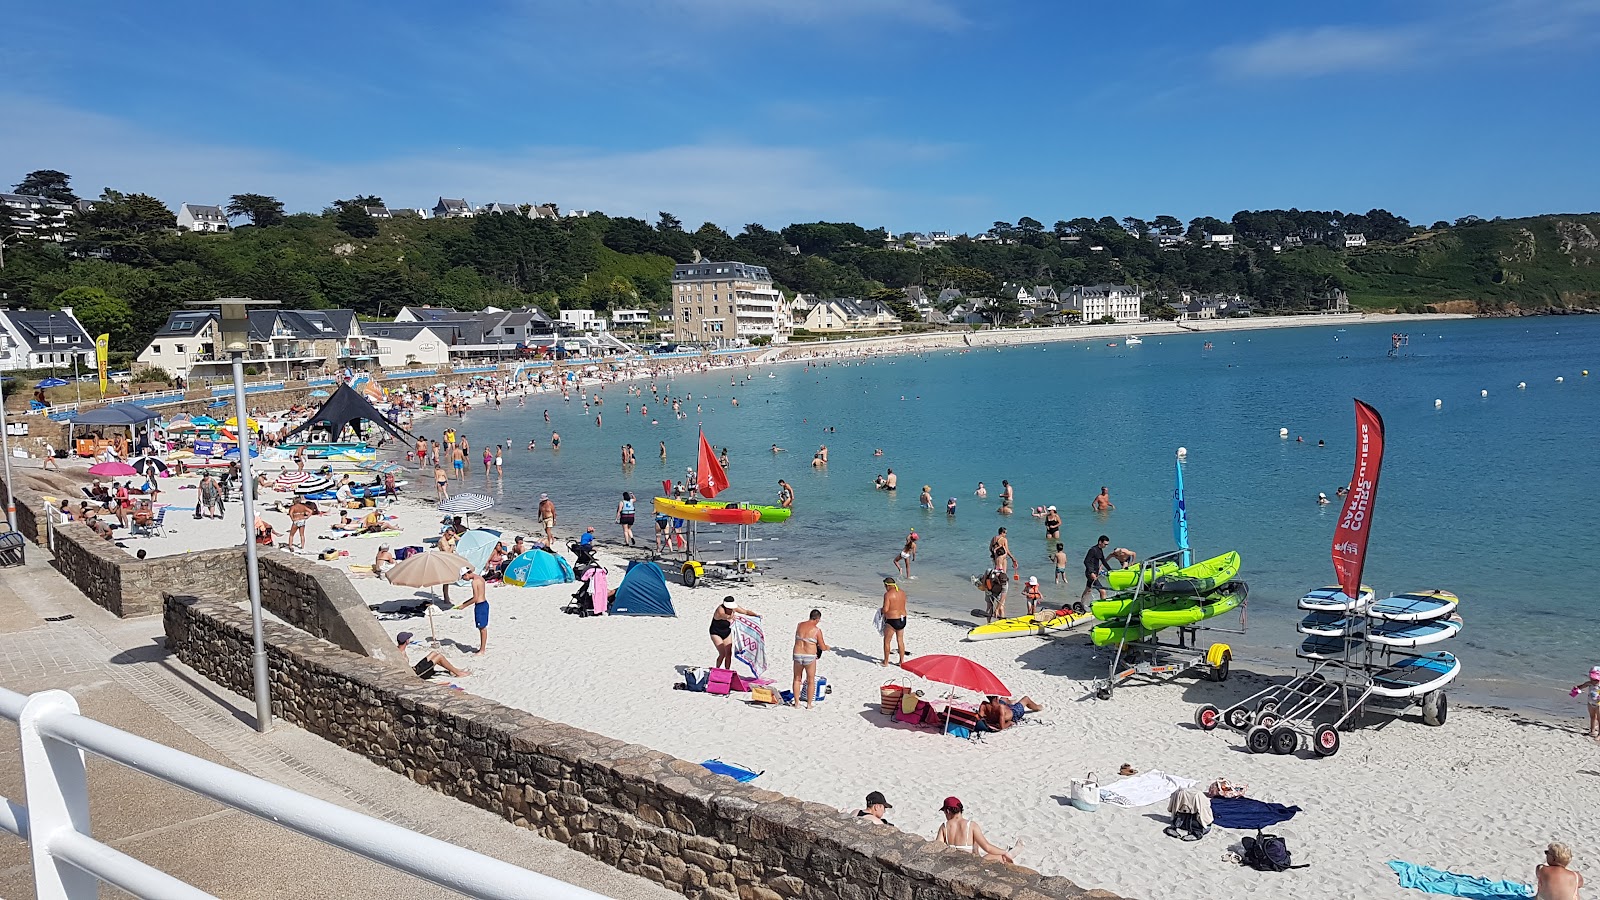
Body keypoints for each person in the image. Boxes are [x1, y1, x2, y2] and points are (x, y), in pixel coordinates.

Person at [934, 798, 1013, 863]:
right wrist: (1004, 852)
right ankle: (1010, 853)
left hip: (952, 863)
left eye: (944, 812)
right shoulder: (971, 825)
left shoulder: (944, 826)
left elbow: (937, 847)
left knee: (975, 843)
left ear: (948, 811)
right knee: (1000, 857)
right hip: (969, 863)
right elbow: (987, 847)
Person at [790, 609, 829, 709]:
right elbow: (822, 646)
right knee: (810, 680)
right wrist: (827, 648)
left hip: (797, 654)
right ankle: (809, 704)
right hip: (809, 656)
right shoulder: (817, 630)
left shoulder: (799, 625)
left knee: (797, 679)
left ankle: (797, 703)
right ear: (817, 619)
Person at [396, 632, 471, 679]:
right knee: (439, 657)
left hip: (415, 669)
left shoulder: (397, 650)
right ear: (406, 641)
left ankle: (453, 670)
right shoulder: (401, 654)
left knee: (434, 653)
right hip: (418, 674)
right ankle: (458, 673)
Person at [709, 597, 757, 669]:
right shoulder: (720, 610)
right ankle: (717, 669)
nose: (730, 609)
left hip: (727, 632)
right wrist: (730, 617)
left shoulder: (734, 608)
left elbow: (746, 612)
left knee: (729, 653)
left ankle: (727, 670)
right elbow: (723, 615)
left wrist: (756, 615)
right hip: (716, 633)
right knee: (722, 654)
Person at [452, 565, 489, 656]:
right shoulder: (480, 578)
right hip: (484, 604)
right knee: (482, 628)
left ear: (466, 574)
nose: (464, 579)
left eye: (463, 577)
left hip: (480, 605)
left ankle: (482, 650)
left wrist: (464, 605)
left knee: (482, 628)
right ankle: (482, 648)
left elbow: (475, 598)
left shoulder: (474, 582)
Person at [880, 577, 909, 667]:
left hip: (892, 620)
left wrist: (880, 611)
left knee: (887, 641)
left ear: (887, 585)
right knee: (900, 640)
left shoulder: (888, 594)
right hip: (902, 618)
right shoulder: (902, 593)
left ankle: (886, 662)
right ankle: (901, 661)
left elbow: (886, 609)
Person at [978, 695, 1044, 732]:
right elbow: (1002, 726)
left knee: (1004, 698)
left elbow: (979, 719)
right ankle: (1037, 707)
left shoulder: (983, 705)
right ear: (997, 697)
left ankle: (1011, 702)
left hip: (1004, 708)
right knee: (1026, 699)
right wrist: (1010, 723)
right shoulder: (1000, 708)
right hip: (1014, 713)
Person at [1081, 535, 1112, 602]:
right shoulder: (1092, 550)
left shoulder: (1100, 551)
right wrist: (1092, 573)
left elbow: (1103, 561)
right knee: (1103, 591)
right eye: (1105, 544)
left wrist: (1111, 570)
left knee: (1088, 589)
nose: (1106, 546)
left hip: (1095, 573)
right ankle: (1103, 607)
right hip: (1090, 574)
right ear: (1100, 542)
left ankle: (1081, 604)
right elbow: (1086, 561)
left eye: (1107, 545)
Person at [1572, 667, 1600, 739]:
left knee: (1599, 719)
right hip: (1590, 702)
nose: (1593, 681)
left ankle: (1599, 735)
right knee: (1592, 717)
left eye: (1595, 679)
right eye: (1592, 679)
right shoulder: (1589, 683)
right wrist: (1576, 688)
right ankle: (1592, 731)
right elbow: (1581, 687)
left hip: (1599, 704)